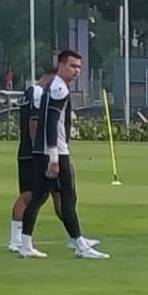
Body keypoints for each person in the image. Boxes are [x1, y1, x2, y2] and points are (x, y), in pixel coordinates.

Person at [18, 50, 110, 259]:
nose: (76, 71)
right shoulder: (59, 89)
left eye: (79, 67)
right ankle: (79, 244)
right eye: (72, 66)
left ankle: (26, 244)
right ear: (61, 66)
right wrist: (54, 157)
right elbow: (51, 124)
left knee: (39, 197)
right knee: (68, 197)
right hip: (56, 151)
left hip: (45, 151)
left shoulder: (52, 87)